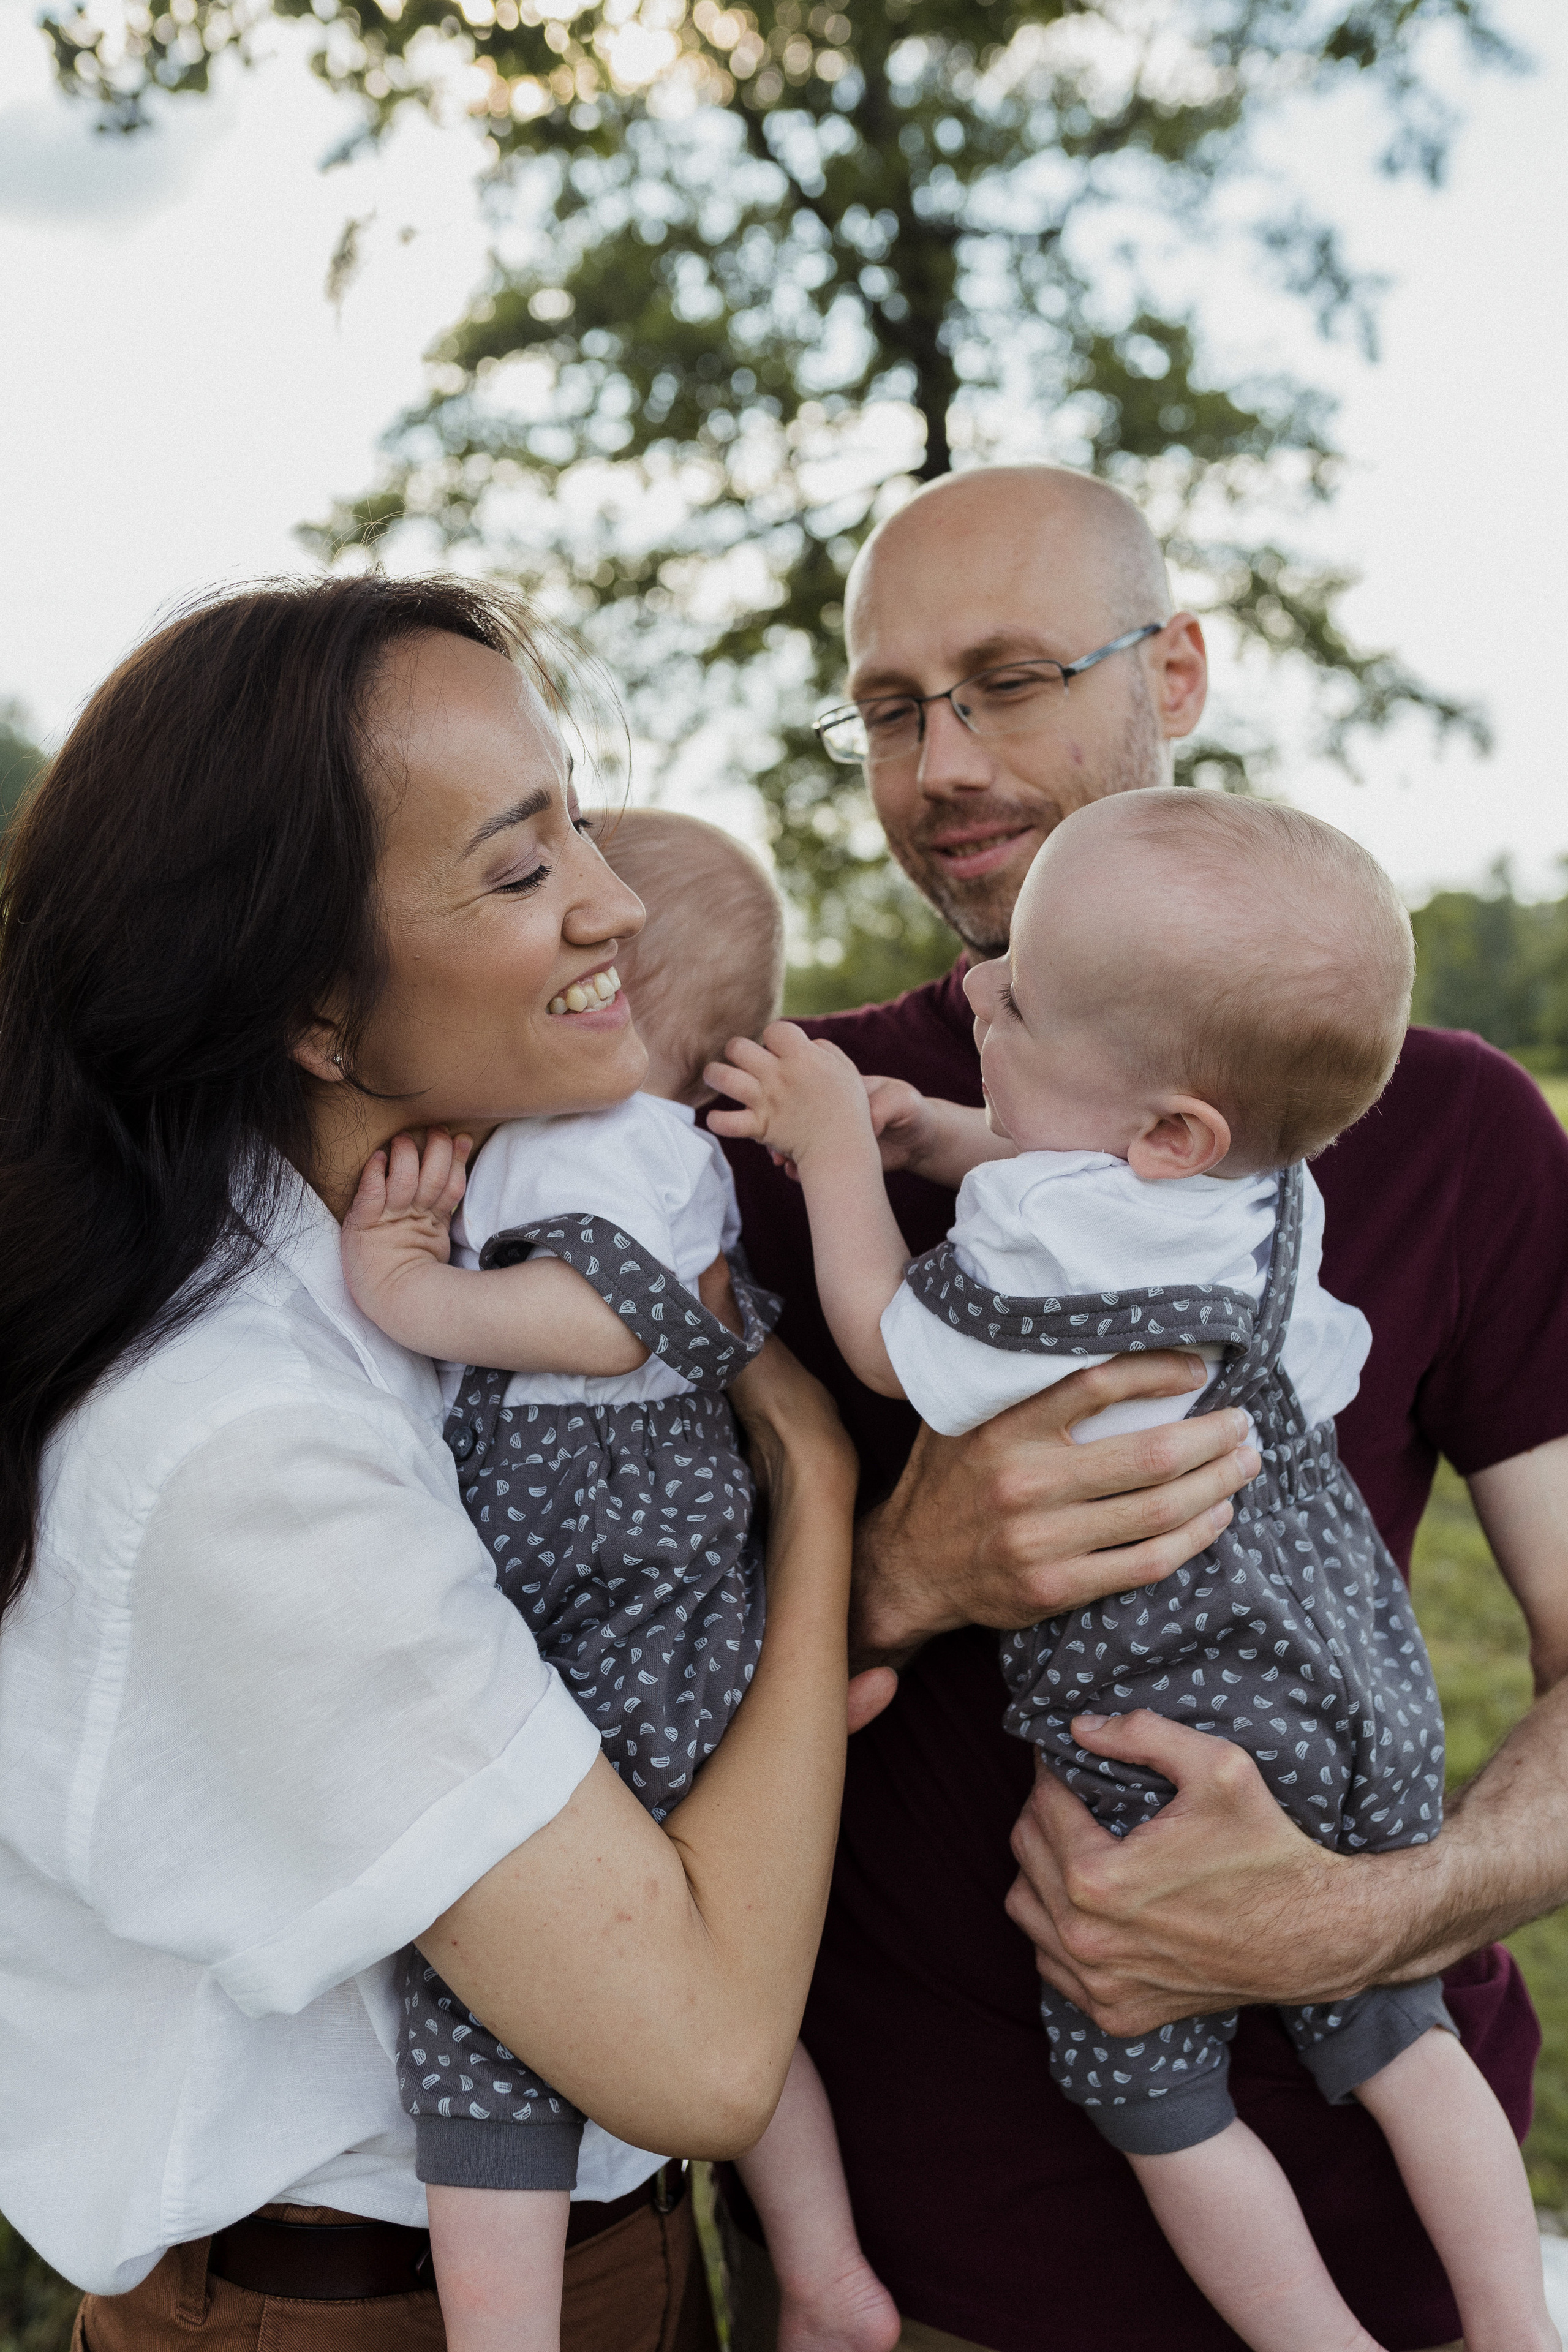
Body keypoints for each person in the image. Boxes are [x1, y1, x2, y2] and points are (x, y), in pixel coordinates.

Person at [717, 464, 1568, 2352]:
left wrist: (1364, 1920)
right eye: (889, 708)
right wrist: (900, 1578)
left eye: (1009, 681)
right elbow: (594, 1700)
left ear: (1174, 670)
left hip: (1388, 2258)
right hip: (920, 2277)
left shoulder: (1453, 1127)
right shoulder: (774, 1127)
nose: (942, 761)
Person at [0, 578, 864, 2352]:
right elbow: (702, 2054)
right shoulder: (238, 1443)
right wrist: (828, 1497)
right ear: (316, 1015)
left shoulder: (426, 1259)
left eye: (582, 821)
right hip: (354, 2309)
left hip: (609, 2249)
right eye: (522, 866)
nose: (617, 902)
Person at [342, 809, 898, 2352]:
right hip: (657, 1600)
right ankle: (826, 2271)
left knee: (496, 2010)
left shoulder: (591, 1139)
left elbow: (604, 1325)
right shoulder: (654, 1148)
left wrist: (411, 1288)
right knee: (703, 1958)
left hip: (603, 1598)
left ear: (607, 1003)